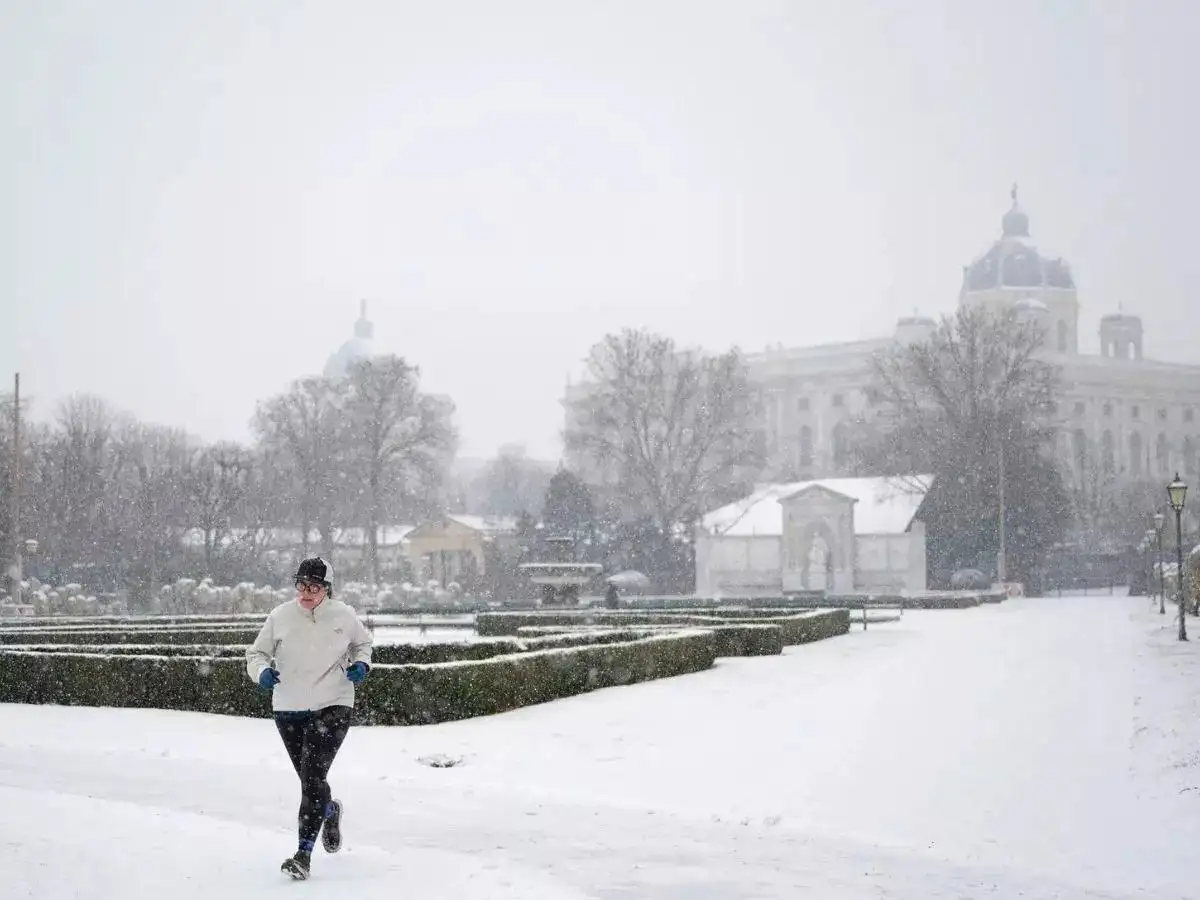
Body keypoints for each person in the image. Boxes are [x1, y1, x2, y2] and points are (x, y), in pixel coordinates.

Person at [246, 556, 373, 881]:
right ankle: (329, 811)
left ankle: (303, 854)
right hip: (288, 707)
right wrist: (261, 672)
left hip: (334, 703)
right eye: (302, 584)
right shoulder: (281, 616)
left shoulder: (343, 615)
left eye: (314, 586)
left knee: (313, 775)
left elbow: (363, 644)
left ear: (327, 589)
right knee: (310, 780)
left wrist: (362, 665)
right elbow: (256, 653)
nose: (306, 592)